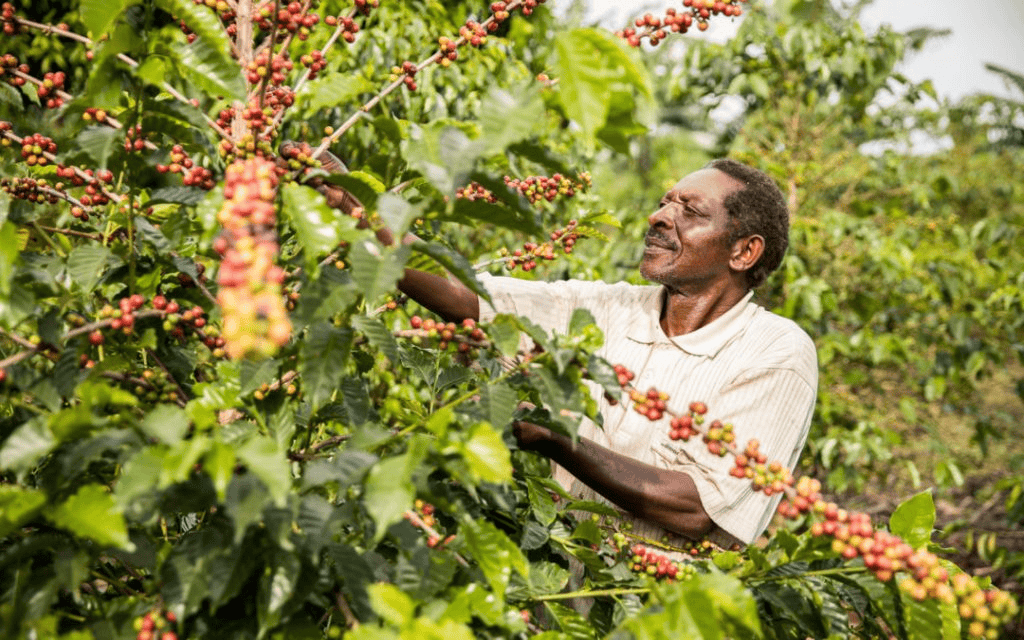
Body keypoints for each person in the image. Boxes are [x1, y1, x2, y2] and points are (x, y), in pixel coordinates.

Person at [356, 158, 818, 549]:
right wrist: (359, 215)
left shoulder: (777, 352)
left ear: (743, 252)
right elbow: (471, 297)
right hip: (559, 603)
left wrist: (558, 439)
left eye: (690, 210)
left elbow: (697, 508)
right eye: (664, 203)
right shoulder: (609, 308)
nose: (659, 217)